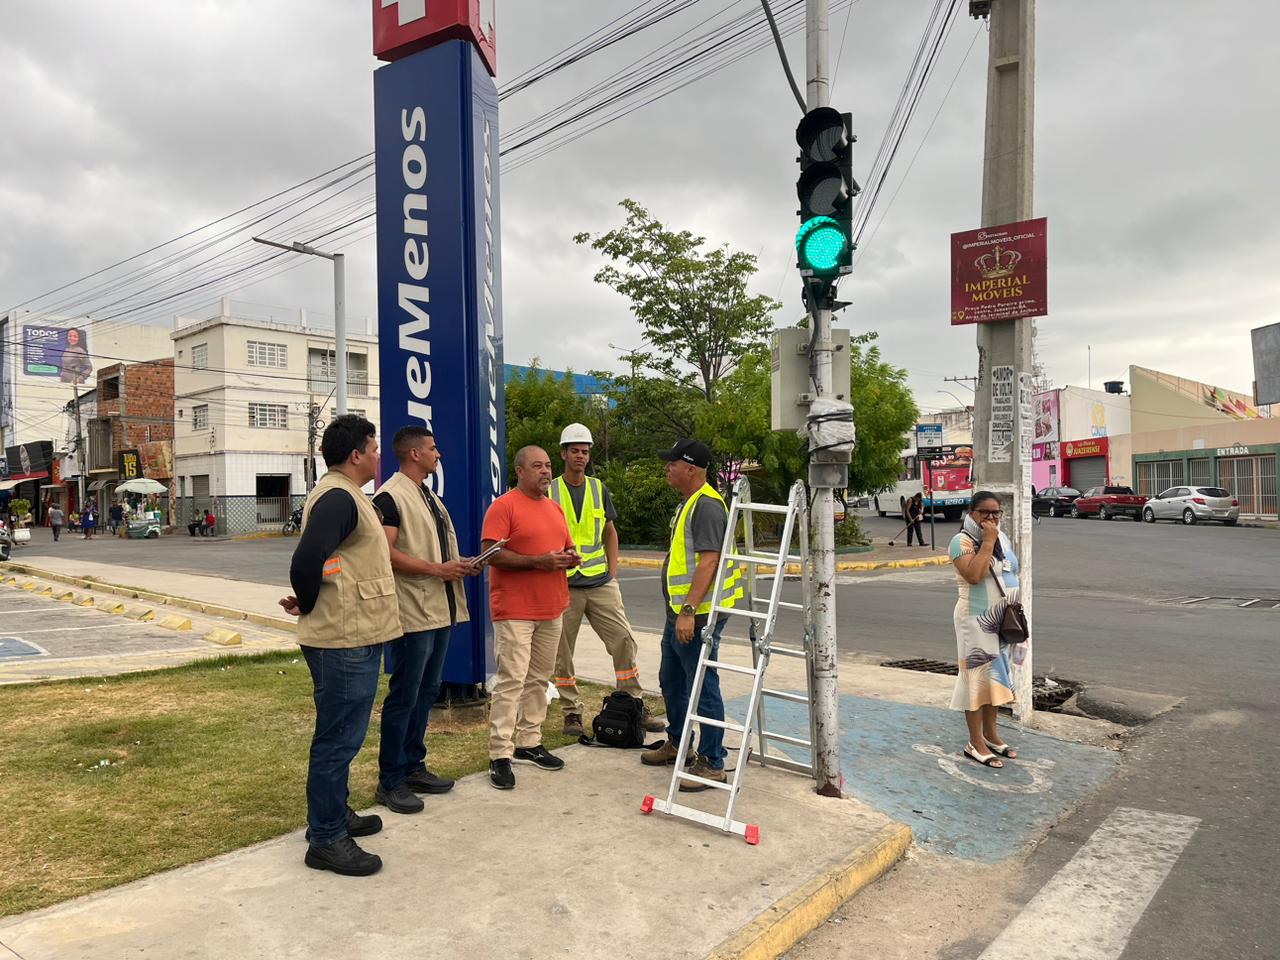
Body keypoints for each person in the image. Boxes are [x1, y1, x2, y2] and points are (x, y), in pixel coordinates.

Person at [278, 414, 402, 877]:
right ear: (355, 455)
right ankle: (327, 838)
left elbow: (331, 562)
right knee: (337, 741)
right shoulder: (338, 497)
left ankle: (334, 816)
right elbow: (306, 559)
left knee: (343, 738)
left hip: (352, 633)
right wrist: (311, 603)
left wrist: (314, 598)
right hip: (343, 641)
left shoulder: (346, 496)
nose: (377, 455)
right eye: (373, 448)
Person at [370, 426, 480, 815]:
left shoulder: (428, 495)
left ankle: (413, 765)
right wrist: (438, 569)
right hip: (413, 612)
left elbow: (433, 549)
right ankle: (391, 779)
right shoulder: (390, 497)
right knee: (406, 694)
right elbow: (386, 553)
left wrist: (458, 565)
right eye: (433, 448)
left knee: (427, 691)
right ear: (414, 454)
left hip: (438, 608)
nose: (439, 454)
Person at [549, 423, 665, 738]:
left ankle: (633, 705)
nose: (580, 456)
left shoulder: (598, 488)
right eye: (574, 450)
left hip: (600, 583)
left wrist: (612, 571)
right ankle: (571, 712)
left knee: (624, 641)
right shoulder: (550, 490)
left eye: (585, 451)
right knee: (563, 652)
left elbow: (609, 532)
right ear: (563, 454)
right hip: (564, 585)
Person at [640, 439, 743, 791]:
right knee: (672, 679)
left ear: (691, 469)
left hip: (696, 615)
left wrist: (686, 611)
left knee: (702, 685)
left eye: (672, 463)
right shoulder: (690, 502)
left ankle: (713, 761)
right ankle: (679, 743)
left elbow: (709, 561)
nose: (667, 467)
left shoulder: (708, 507)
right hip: (680, 613)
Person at [481, 445, 580, 790]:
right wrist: (539, 562)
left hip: (551, 607)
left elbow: (563, 547)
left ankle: (529, 742)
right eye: (537, 466)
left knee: (539, 679)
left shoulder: (554, 508)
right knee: (512, 680)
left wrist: (570, 557)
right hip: (514, 610)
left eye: (548, 465)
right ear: (520, 471)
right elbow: (491, 555)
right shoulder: (503, 507)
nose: (545, 471)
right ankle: (500, 754)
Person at [949, 491, 1025, 769]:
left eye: (996, 513)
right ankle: (974, 742)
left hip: (1000, 619)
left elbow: (1011, 570)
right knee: (977, 680)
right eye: (985, 513)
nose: (991, 518)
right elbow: (974, 575)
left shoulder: (1002, 539)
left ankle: (991, 735)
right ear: (971, 513)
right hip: (975, 620)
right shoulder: (962, 541)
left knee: (997, 678)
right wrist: (988, 542)